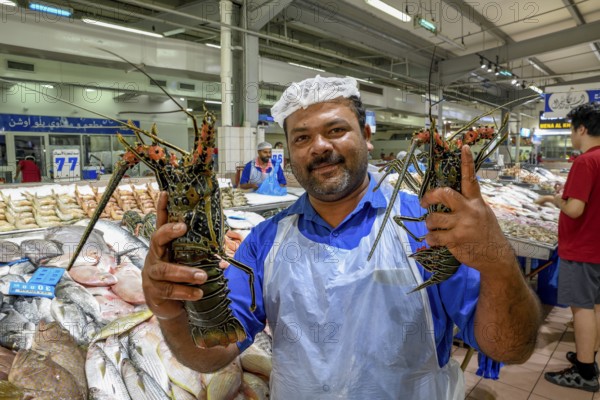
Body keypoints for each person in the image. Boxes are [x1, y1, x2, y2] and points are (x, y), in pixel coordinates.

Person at [142, 75, 541, 399]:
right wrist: (169, 310)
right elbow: (212, 355)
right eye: (302, 137)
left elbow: (509, 347)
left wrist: (499, 260)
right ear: (288, 152)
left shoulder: (431, 225)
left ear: (366, 135)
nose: (319, 147)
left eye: (336, 130)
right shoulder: (264, 240)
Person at [536, 103, 600, 392]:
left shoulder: (586, 162)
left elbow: (575, 209)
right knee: (596, 306)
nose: (572, 135)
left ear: (582, 129)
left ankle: (585, 372)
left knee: (582, 309)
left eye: (573, 129)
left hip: (583, 247)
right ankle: (590, 356)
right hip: (596, 246)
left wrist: (553, 200)